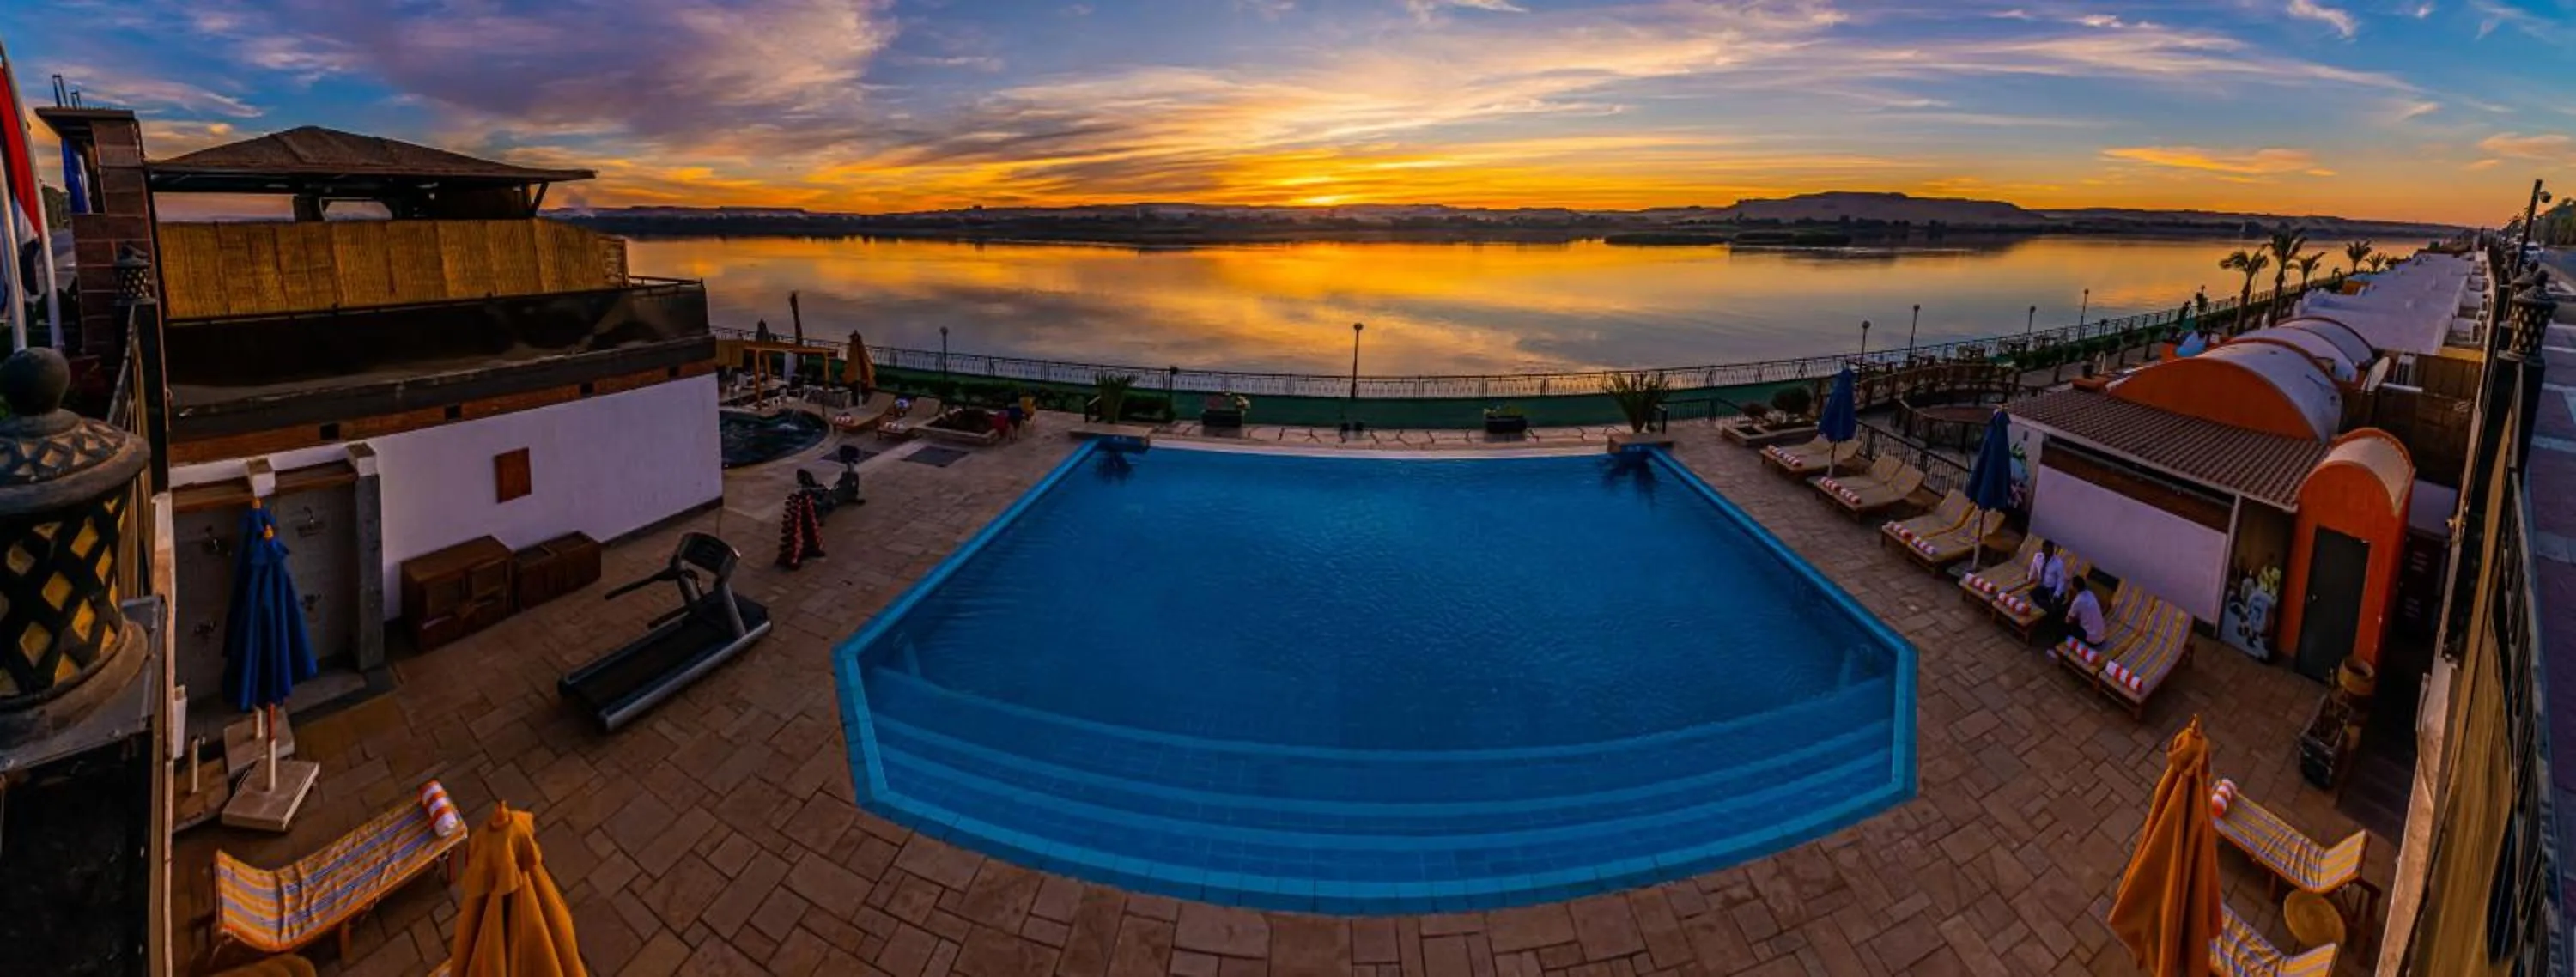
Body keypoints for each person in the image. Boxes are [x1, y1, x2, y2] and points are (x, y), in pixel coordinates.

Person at [2029, 541, 2070, 624]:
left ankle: (2053, 619)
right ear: (2043, 550)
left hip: (2053, 588)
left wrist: (2057, 594)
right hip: (2043, 586)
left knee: (2055, 604)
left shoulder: (2058, 563)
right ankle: (2047, 608)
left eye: (2050, 551)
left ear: (2053, 551)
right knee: (2033, 593)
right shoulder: (2038, 557)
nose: (2048, 553)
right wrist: (2030, 578)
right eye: (2046, 550)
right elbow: (2033, 569)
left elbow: (2061, 580)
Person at [2064, 578, 2108, 655]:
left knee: (2065, 626)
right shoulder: (2090, 594)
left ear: (2075, 587)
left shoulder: (2078, 600)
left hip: (2090, 639)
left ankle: (2061, 648)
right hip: (2100, 635)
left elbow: (2068, 620)